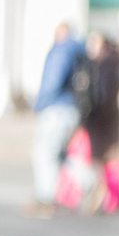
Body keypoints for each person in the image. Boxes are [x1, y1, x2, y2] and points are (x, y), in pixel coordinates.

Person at [29, 22, 85, 215]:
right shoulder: (78, 51)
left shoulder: (62, 51)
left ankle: (46, 197)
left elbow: (53, 81)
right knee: (61, 154)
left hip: (57, 108)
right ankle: (89, 181)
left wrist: (40, 102)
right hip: (71, 109)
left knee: (45, 153)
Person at [79, 29, 119, 214]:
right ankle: (108, 199)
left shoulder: (108, 66)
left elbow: (105, 97)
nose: (91, 47)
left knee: (103, 162)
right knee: (105, 162)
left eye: (95, 43)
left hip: (103, 123)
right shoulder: (105, 65)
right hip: (104, 122)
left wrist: (91, 116)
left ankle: (105, 198)